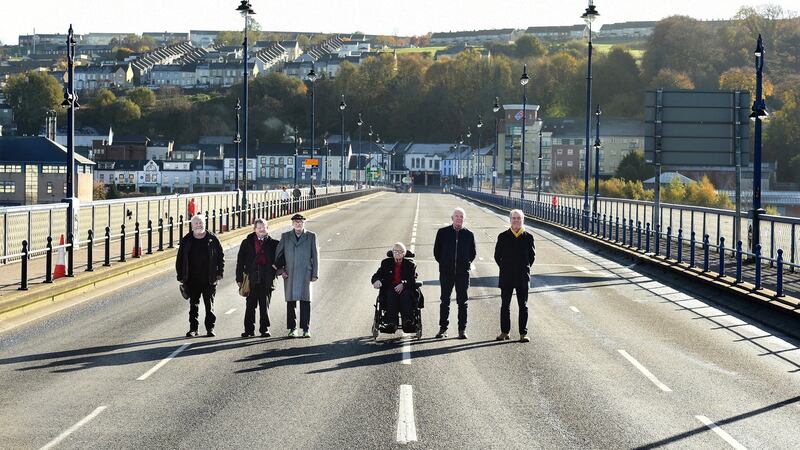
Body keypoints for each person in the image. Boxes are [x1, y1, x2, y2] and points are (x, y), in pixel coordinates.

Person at [176, 214, 224, 337]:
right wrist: (180, 276)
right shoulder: (187, 239)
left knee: (209, 306)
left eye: (200, 223)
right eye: (196, 223)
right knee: (193, 306)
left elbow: (220, 257)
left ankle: (210, 328)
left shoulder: (213, 239)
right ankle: (193, 329)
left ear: (204, 224)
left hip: (209, 278)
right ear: (192, 226)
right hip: (191, 279)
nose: (198, 225)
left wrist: (219, 274)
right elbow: (180, 259)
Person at [433, 207, 476, 339]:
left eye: (461, 217)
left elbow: (472, 253)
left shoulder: (469, 234)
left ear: (464, 219)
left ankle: (462, 330)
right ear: (452, 218)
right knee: (445, 301)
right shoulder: (442, 232)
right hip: (446, 273)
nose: (459, 218)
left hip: (462, 274)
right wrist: (445, 263)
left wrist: (464, 264)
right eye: (457, 216)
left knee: (462, 302)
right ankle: (443, 329)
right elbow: (437, 252)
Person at [494, 209, 536, 343]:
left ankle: (523, 333)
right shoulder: (503, 236)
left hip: (522, 276)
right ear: (510, 220)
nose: (516, 220)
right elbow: (497, 256)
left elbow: (532, 257)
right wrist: (506, 267)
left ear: (522, 220)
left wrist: (523, 267)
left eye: (519, 218)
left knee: (523, 306)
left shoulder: (528, 237)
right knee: (505, 305)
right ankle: (504, 332)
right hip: (506, 276)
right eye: (514, 218)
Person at [276, 213, 319, 338]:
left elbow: (315, 256)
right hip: (290, 274)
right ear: (292, 224)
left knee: (306, 301)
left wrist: (315, 273)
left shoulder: (311, 236)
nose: (298, 224)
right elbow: (278, 255)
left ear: (304, 223)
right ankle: (292, 328)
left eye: (300, 222)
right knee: (291, 302)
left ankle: (306, 328)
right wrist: (281, 270)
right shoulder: (285, 236)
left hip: (306, 273)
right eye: (295, 222)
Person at [236, 218, 279, 338]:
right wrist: (239, 278)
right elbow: (240, 262)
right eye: (259, 227)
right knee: (250, 306)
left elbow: (281, 258)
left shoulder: (274, 243)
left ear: (267, 228)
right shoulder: (246, 243)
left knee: (264, 306)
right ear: (254, 229)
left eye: (264, 227)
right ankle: (249, 330)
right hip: (251, 279)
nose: (261, 229)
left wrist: (278, 266)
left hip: (267, 279)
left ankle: (264, 329)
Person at [371, 242, 417, 333]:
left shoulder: (410, 264)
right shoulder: (386, 263)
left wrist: (403, 284)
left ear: (404, 253)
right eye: (395, 251)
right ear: (392, 253)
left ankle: (407, 323)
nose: (397, 253)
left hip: (405, 288)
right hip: (391, 288)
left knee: (406, 296)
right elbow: (377, 275)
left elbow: (412, 279)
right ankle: (392, 324)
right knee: (391, 295)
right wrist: (376, 281)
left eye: (400, 251)